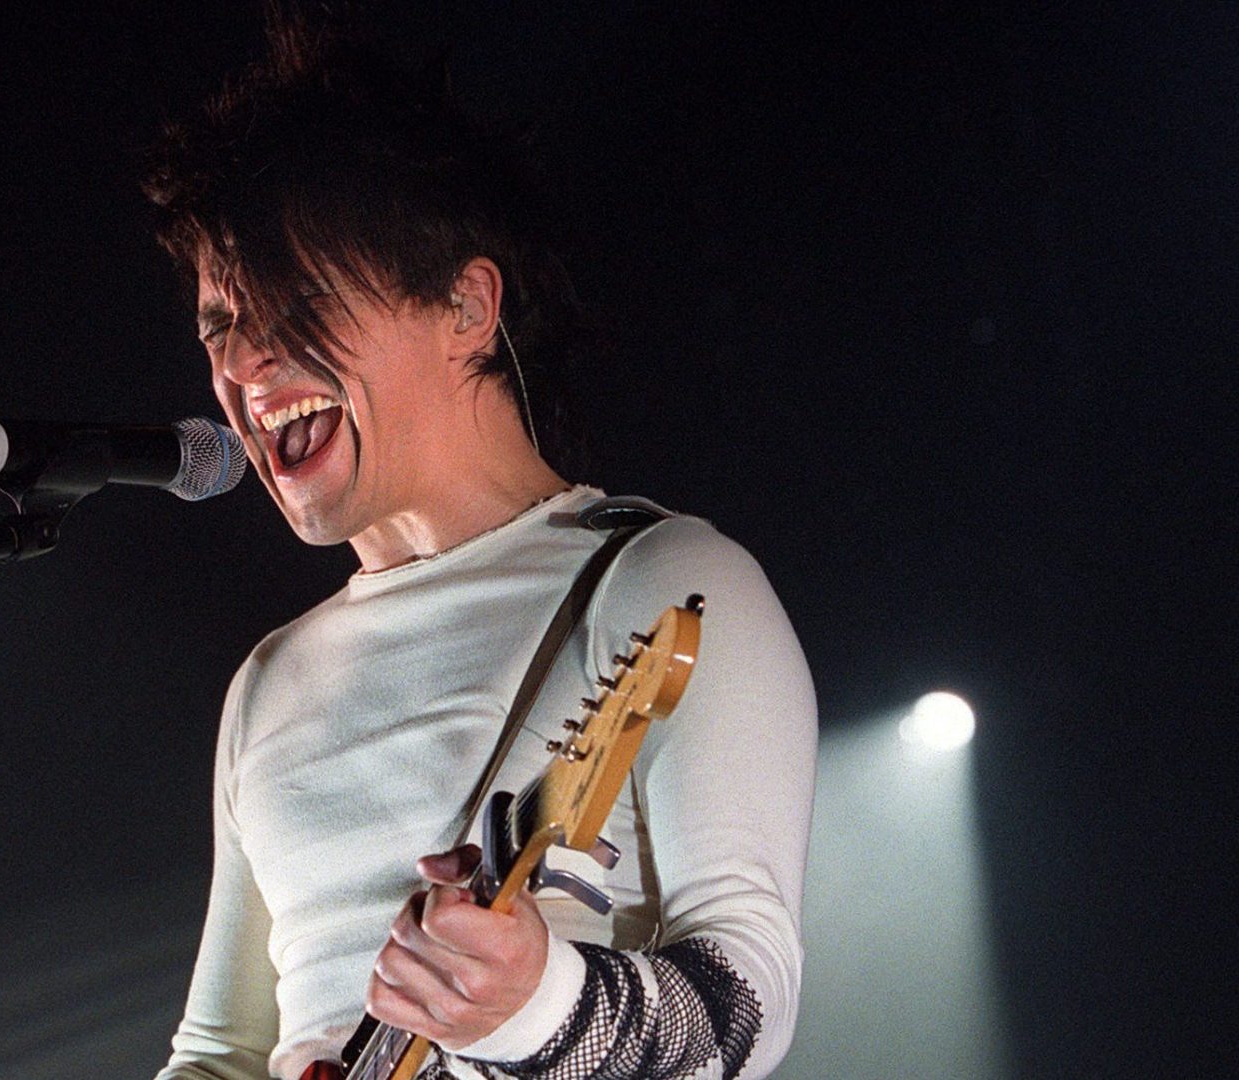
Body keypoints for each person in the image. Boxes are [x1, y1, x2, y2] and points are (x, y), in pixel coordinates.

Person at [143, 10, 815, 1080]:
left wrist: (537, 1003)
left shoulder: (665, 583)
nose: (247, 362)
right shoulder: (268, 684)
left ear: (465, 302)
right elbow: (219, 1054)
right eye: (220, 323)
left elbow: (748, 1007)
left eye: (296, 300)